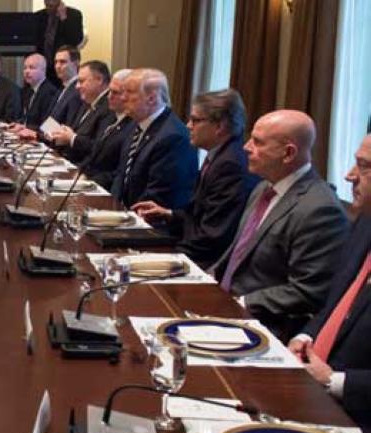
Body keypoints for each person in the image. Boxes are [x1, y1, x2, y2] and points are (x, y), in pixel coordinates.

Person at [211, 110, 348, 339]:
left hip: (263, 327)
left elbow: (307, 291)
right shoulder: (262, 188)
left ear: (288, 153)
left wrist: (240, 302)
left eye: (257, 142)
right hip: (224, 305)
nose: (246, 147)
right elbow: (237, 254)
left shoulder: (320, 209)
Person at [288, 134, 371, 429]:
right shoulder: (364, 222)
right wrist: (306, 337)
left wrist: (334, 381)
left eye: (364, 166)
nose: (350, 176)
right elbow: (335, 306)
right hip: (310, 387)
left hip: (355, 416)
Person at [133, 89, 258, 270]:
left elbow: (212, 236)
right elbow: (201, 214)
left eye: (195, 120)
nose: (188, 125)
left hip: (207, 264)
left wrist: (166, 258)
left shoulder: (230, 165)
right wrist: (169, 213)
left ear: (220, 126)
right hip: (193, 248)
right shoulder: (218, 156)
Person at [111, 68, 198, 211]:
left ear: (151, 98)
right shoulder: (136, 124)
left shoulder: (172, 137)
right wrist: (112, 206)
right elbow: (121, 174)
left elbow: (159, 196)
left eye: (130, 92)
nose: (123, 98)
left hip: (152, 223)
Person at [45, 60, 112, 165]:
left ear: (99, 79)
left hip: (85, 168)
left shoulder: (109, 107)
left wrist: (71, 138)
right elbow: (75, 132)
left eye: (81, 81)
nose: (77, 86)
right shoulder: (86, 103)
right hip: (67, 160)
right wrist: (63, 134)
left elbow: (99, 148)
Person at [83, 68, 136, 189]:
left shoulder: (133, 125)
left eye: (115, 92)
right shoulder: (109, 118)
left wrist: (90, 182)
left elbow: (119, 171)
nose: (109, 97)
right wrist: (80, 173)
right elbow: (94, 154)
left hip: (103, 188)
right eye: (109, 91)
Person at [35, 0, 84, 71]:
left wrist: (63, 18)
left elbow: (75, 40)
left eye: (53, 1)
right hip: (43, 66)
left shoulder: (74, 15)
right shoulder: (38, 16)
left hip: (65, 65)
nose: (50, 3)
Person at [14, 53, 57, 130]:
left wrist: (25, 127)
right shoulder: (28, 91)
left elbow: (47, 126)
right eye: (25, 68)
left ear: (43, 70)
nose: (27, 71)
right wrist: (18, 124)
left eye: (31, 68)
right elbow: (26, 117)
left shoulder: (49, 92)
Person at [48, 46, 83, 126]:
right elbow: (51, 118)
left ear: (76, 63)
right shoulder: (61, 89)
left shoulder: (78, 90)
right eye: (56, 62)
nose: (57, 66)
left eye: (62, 62)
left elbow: (69, 125)